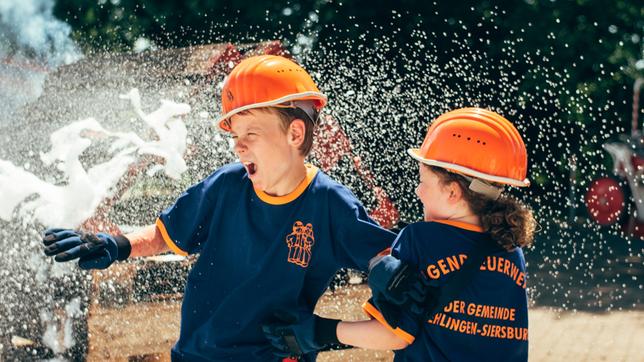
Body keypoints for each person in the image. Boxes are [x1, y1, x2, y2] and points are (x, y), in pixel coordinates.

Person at [41, 55, 396, 361]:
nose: (239, 148)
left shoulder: (329, 203)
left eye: (251, 135)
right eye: (235, 137)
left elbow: (388, 260)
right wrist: (117, 245)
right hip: (196, 354)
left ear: (295, 134)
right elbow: (167, 233)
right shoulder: (226, 185)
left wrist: (384, 271)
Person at [264, 107, 536, 361]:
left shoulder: (421, 239)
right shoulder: (511, 249)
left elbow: (394, 335)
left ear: (453, 192)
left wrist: (317, 332)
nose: (418, 191)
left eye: (423, 181)